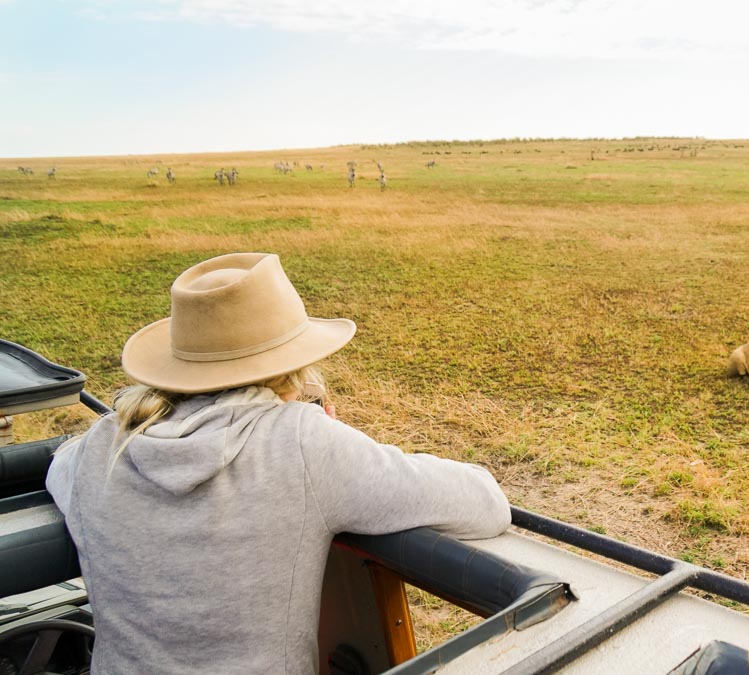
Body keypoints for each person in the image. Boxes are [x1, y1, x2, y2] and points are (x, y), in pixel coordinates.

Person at [46, 252, 510, 674]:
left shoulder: (99, 447)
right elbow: (487, 502)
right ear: (291, 367)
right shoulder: (303, 443)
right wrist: (325, 433)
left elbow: (59, 466)